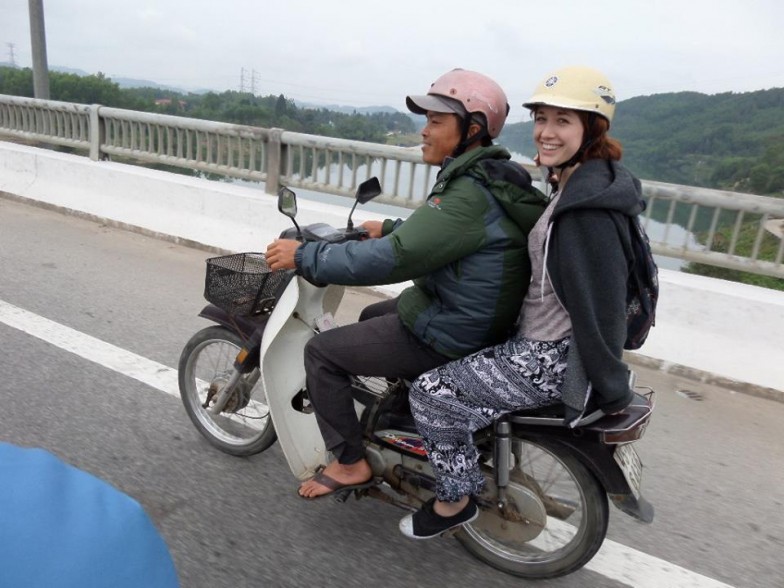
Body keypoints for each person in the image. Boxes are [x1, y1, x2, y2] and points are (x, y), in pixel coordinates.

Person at [265, 68, 547, 499]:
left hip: (452, 330)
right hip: (474, 315)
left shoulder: (468, 192)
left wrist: (306, 256)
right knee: (373, 313)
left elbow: (394, 259)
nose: (424, 131)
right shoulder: (486, 179)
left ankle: (349, 462)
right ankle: (407, 421)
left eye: (436, 122)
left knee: (321, 353)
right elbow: (449, 236)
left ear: (471, 129)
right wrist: (393, 226)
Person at [399, 66, 645, 539]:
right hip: (542, 340)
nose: (546, 133)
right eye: (542, 119)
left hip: (547, 355)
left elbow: (603, 305)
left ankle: (455, 501)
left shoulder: (587, 211)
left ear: (591, 129)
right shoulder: (578, 183)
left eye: (563, 122)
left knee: (432, 394)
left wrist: (608, 383)